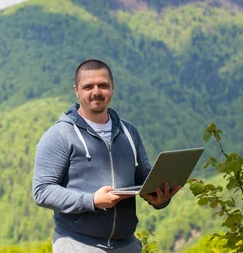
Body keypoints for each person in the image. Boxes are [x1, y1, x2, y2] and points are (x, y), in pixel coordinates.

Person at [32, 59, 181, 252]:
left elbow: (145, 179)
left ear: (113, 87)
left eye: (103, 85)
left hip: (126, 245)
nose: (96, 92)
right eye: (88, 87)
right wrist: (92, 200)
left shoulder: (129, 132)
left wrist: (161, 199)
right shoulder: (59, 135)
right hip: (78, 244)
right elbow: (42, 191)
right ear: (76, 90)